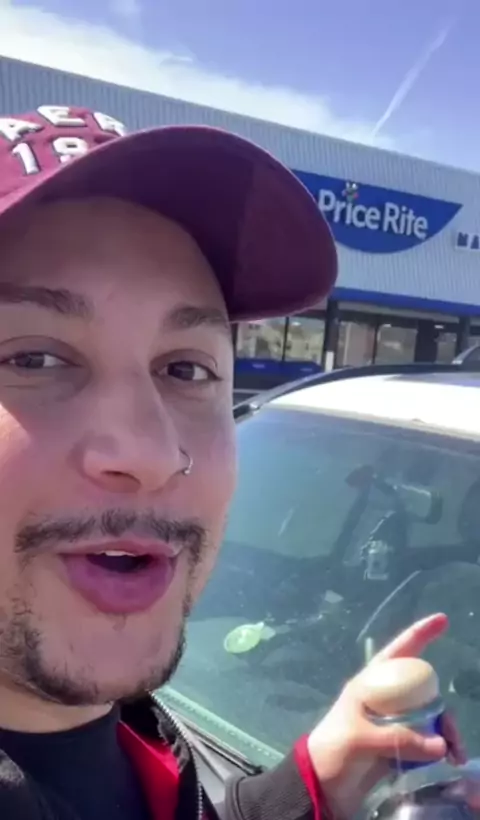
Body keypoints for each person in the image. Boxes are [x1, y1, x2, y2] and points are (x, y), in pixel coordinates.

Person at [0, 105, 463, 820]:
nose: (154, 454)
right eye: (34, 359)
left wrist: (312, 781)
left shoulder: (133, 723)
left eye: (186, 369)